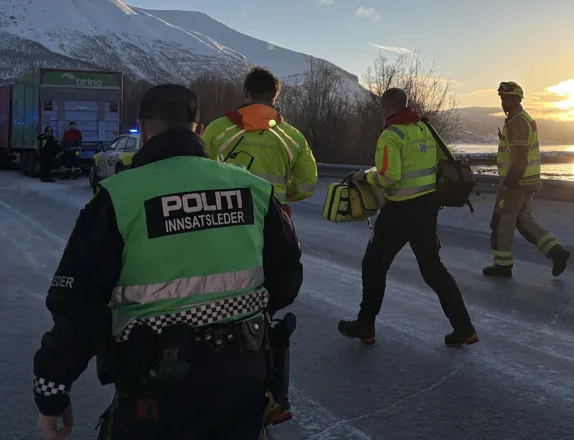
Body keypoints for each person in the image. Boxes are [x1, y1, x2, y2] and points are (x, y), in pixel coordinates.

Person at [32, 84, 303, 440]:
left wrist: (52, 389)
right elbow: (286, 282)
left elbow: (77, 308)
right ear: (200, 131)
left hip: (153, 390)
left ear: (143, 132)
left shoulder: (118, 197)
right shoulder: (253, 189)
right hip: (241, 382)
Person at [337, 88, 479, 347]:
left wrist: (366, 176)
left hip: (399, 212)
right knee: (433, 269)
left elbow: (389, 178)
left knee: (374, 266)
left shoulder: (391, 135)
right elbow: (443, 160)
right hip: (427, 208)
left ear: (386, 108)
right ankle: (464, 328)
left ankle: (365, 326)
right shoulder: (424, 128)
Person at [203, 66, 318, 218]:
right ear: (274, 96)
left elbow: (196, 170)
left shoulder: (217, 129)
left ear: (246, 92)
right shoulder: (293, 137)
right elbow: (307, 184)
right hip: (274, 216)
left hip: (226, 216)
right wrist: (280, 192)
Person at [483, 81, 570, 278]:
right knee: (524, 221)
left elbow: (520, 157)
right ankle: (557, 253)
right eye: (502, 98)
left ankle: (503, 266)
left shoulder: (519, 122)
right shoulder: (518, 120)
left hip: (516, 183)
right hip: (525, 182)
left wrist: (508, 184)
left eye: (507, 98)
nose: (504, 102)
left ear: (517, 99)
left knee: (502, 221)